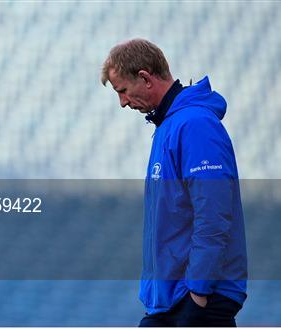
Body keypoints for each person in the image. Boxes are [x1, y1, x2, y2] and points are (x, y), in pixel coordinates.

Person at [101, 39, 248, 327]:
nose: (122, 102)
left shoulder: (194, 125)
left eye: (122, 91)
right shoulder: (169, 126)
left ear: (144, 78)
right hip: (171, 300)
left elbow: (213, 215)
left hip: (198, 298)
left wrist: (198, 292)